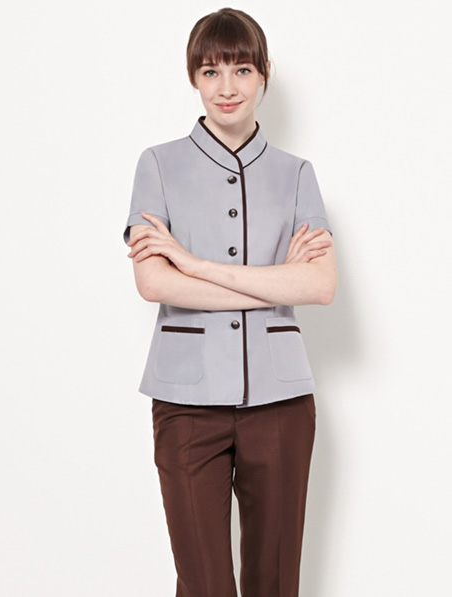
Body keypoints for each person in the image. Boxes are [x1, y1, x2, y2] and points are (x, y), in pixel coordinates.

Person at [123, 7, 337, 597]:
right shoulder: (157, 164)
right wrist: (274, 279)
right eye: (211, 71)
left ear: (265, 73)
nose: (227, 87)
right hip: (185, 402)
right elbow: (154, 283)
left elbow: (320, 286)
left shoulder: (297, 174)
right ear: (193, 77)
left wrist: (192, 264)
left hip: (282, 401)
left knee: (275, 581)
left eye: (242, 69)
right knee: (204, 584)